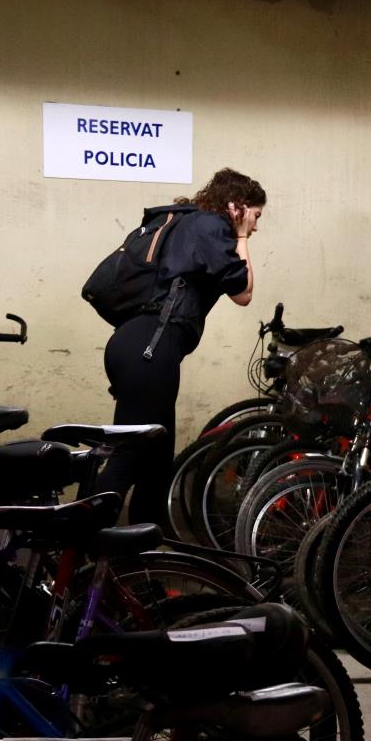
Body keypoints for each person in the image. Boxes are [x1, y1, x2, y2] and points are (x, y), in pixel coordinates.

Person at [96, 167, 264, 524]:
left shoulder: (184, 223)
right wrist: (240, 235)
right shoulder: (211, 227)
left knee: (156, 462)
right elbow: (243, 292)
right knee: (129, 458)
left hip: (137, 345)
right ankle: (77, 550)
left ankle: (143, 558)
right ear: (237, 206)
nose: (257, 226)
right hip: (150, 349)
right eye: (256, 215)